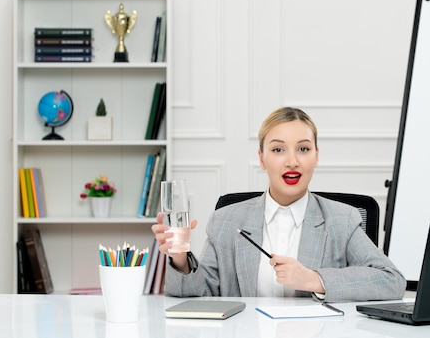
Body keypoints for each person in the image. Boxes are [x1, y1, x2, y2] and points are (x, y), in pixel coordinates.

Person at [152, 106, 406, 302]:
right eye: (278, 150)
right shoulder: (225, 221)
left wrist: (314, 279)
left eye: (303, 149)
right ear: (261, 158)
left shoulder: (343, 220)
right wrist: (180, 258)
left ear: (317, 156)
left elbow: (391, 281)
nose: (292, 161)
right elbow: (198, 294)